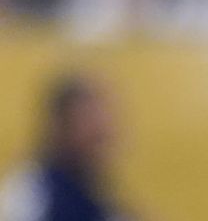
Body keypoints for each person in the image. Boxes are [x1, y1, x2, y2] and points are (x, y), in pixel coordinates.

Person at [0, 74, 130, 221]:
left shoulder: (98, 197)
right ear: (60, 126)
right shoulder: (30, 189)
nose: (101, 131)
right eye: (87, 122)